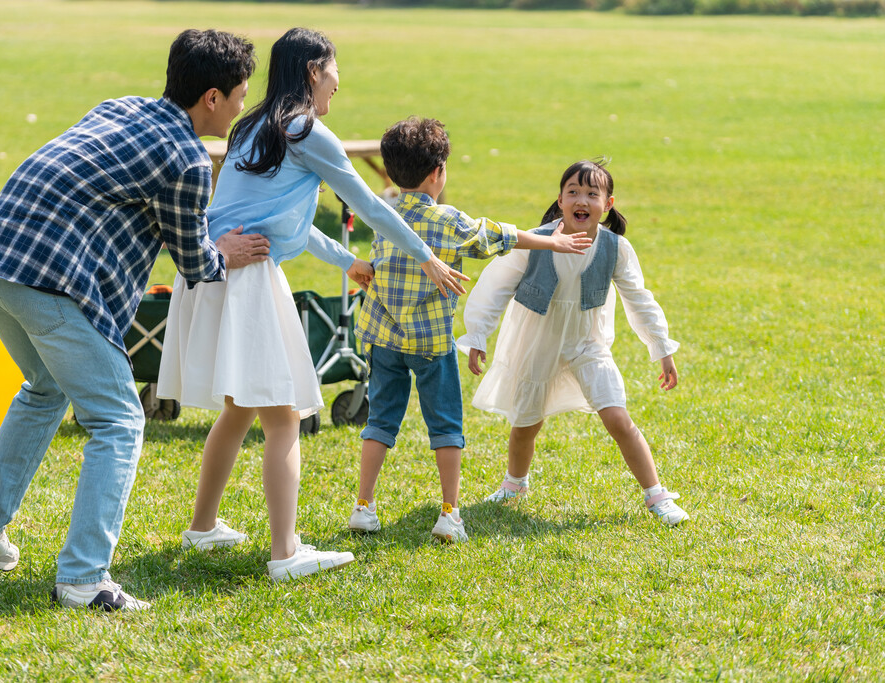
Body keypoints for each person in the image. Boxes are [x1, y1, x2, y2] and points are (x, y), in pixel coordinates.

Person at [0, 29, 268, 611]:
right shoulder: (188, 158)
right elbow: (195, 262)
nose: (244, 107)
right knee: (118, 420)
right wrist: (229, 253)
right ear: (213, 98)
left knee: (44, 389)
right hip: (49, 283)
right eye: (242, 95)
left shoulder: (120, 106)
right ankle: (83, 580)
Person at [157, 29, 469, 581]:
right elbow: (369, 202)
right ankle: (286, 553)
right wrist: (424, 255)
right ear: (311, 72)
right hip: (247, 278)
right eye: (332, 75)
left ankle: (203, 526)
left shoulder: (256, 124)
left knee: (241, 408)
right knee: (284, 415)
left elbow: (281, 222)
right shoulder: (304, 128)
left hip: (217, 271)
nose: (335, 87)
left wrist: (343, 261)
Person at [346, 117, 593, 543]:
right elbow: (497, 235)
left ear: (390, 171)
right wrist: (553, 241)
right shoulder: (448, 220)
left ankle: (363, 507)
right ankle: (448, 513)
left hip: (382, 338)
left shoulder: (381, 213)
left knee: (381, 422)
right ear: (437, 173)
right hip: (431, 344)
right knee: (445, 425)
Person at [457, 159, 689, 526]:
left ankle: (656, 494)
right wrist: (477, 335)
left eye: (592, 194)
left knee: (617, 417)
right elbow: (494, 285)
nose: (582, 200)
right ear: (561, 201)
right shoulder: (535, 241)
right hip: (537, 342)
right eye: (573, 192)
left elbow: (639, 299)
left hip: (587, 343)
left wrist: (662, 349)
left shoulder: (616, 249)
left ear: (607, 204)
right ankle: (514, 484)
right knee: (526, 424)